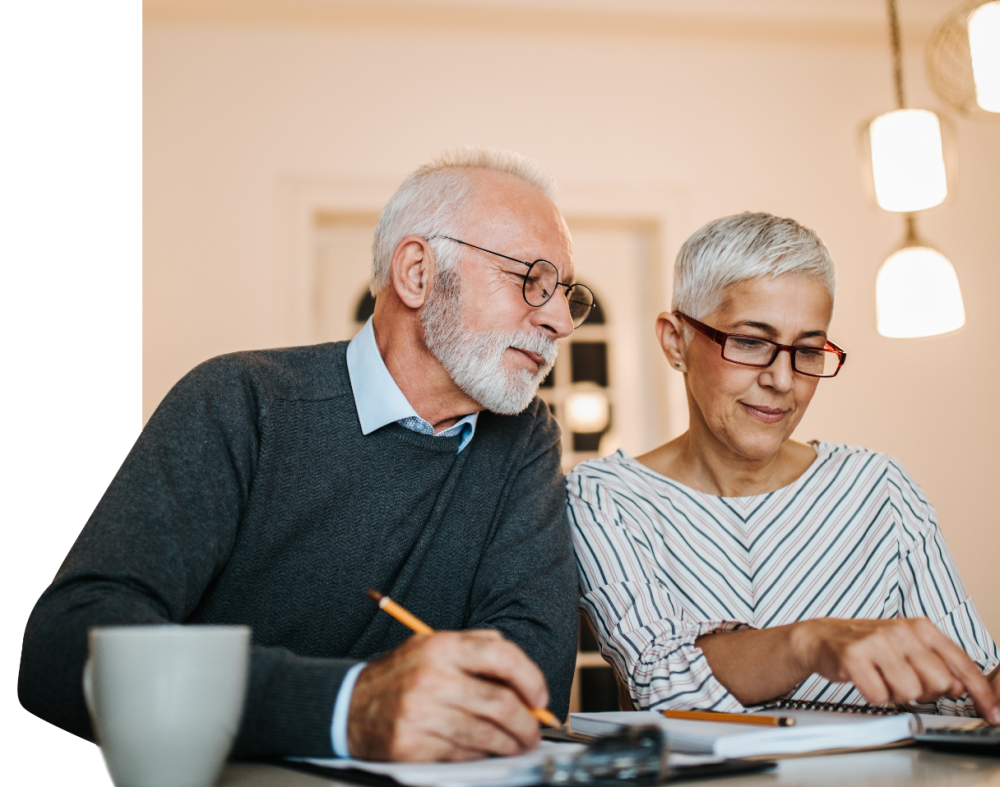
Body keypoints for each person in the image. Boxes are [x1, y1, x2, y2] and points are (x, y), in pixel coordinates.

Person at [20, 149, 592, 761]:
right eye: (531, 278)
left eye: (565, 293)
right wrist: (346, 706)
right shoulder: (242, 401)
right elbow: (64, 648)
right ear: (418, 274)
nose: (559, 318)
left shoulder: (524, 437)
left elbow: (532, 685)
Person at [567, 212, 1000, 721]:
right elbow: (663, 683)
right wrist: (808, 642)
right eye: (751, 342)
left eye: (808, 351)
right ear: (674, 341)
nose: (782, 380)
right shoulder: (604, 497)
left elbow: (969, 690)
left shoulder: (879, 488)